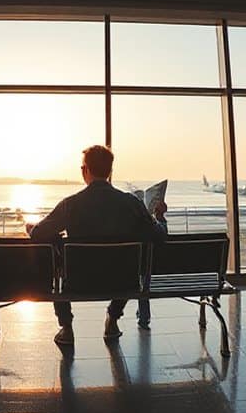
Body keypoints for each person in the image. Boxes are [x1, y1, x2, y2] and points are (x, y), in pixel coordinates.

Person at [26, 145, 167, 346]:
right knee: (127, 263)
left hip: (78, 282)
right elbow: (158, 237)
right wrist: (159, 218)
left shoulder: (71, 204)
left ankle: (66, 327)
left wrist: (31, 228)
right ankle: (113, 319)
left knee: (55, 251)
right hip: (123, 282)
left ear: (86, 170)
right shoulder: (131, 203)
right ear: (109, 171)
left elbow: (39, 234)